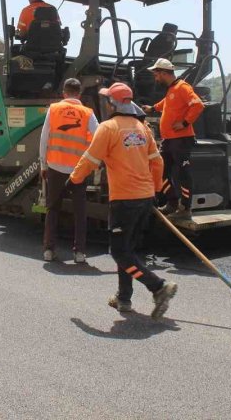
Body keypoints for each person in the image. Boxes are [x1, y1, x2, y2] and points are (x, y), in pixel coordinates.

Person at [69, 82, 178, 319]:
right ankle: (124, 298)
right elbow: (157, 162)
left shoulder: (108, 128)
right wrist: (157, 189)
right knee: (127, 250)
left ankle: (158, 287)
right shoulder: (142, 128)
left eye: (108, 100)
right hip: (145, 197)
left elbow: (89, 159)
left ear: (112, 104)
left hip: (124, 200)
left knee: (119, 252)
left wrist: (74, 179)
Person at [40, 78, 99, 263]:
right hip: (78, 170)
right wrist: (92, 164)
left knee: (52, 209)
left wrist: (43, 165)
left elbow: (44, 138)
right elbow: (99, 138)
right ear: (79, 94)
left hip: (55, 167)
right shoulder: (88, 113)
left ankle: (49, 250)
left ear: (64, 93)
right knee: (80, 212)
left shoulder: (54, 109)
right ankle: (79, 253)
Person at [141, 58, 204, 221]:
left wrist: (184, 122)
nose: (156, 78)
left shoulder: (183, 87)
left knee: (184, 173)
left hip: (181, 139)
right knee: (160, 169)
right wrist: (153, 108)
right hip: (170, 139)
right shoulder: (172, 89)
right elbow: (168, 103)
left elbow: (197, 105)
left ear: (163, 73)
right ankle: (172, 202)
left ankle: (185, 207)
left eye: (156, 75)